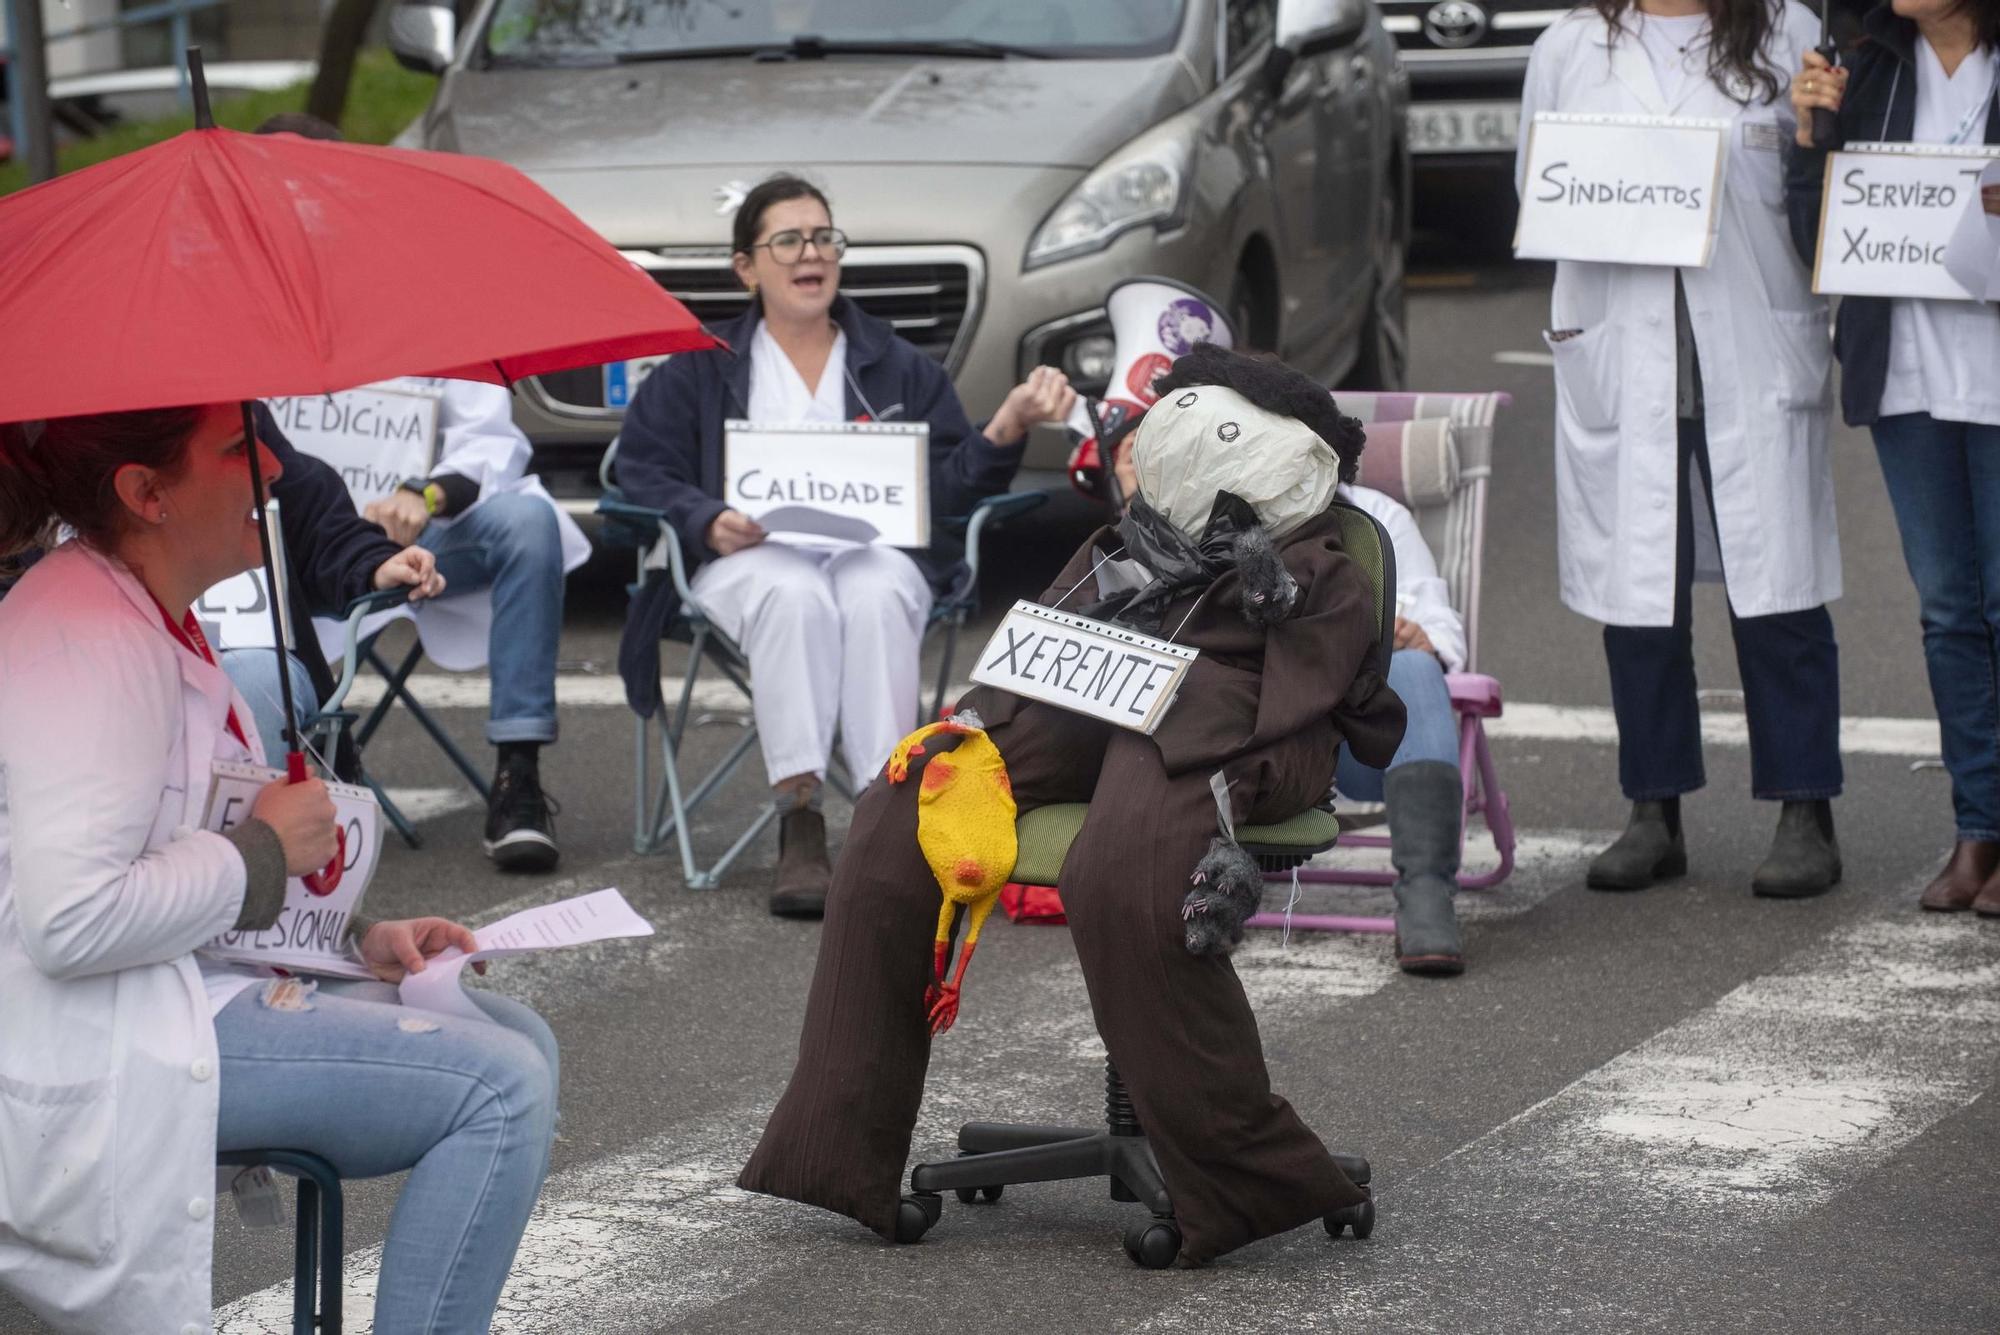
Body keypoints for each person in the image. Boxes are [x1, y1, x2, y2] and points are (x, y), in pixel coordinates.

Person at [738, 347, 1405, 1265]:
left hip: (1241, 724)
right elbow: (1035, 658)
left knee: (1120, 860)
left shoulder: (1316, 564)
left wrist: (1253, 605)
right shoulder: (1127, 541)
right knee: (911, 797)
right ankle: (837, 1157)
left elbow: (1311, 698)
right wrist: (968, 731)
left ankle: (1250, 1175)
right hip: (1110, 706)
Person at [0, 406, 558, 1332]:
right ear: (146, 494)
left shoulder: (143, 607)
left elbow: (177, 860)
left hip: (174, 988)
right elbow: (71, 923)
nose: (273, 469)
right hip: (100, 1034)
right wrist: (260, 850)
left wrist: (347, 943)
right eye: (234, 449)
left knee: (521, 1040)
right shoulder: (83, 635)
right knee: (499, 1087)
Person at [617, 173, 1076, 918]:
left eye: (825, 237)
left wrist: (1006, 428)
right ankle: (800, 818)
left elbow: (950, 491)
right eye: (788, 239)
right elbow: (638, 468)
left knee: (878, 585)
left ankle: (884, 815)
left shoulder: (896, 365)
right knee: (792, 590)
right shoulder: (702, 365)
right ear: (746, 267)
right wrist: (703, 516)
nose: (812, 253)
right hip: (746, 561)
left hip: (871, 555)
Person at [1521, 0, 1846, 898]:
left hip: (1747, 345)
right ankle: (1653, 808)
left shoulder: (1786, 33)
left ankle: (1805, 807)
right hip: (1625, 352)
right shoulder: (1569, 48)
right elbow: (1536, 193)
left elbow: (1817, 191)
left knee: (1775, 586)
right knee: (1640, 591)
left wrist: (1819, 133)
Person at [257, 112, 589, 875]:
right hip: (280, 551)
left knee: (528, 521)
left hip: (410, 543)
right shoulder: (227, 309)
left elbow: (494, 439)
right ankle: (304, 768)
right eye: (282, 189)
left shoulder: (417, 292)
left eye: (316, 188)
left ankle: (519, 775)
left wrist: (426, 495)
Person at [1786, 0, 2000, 912]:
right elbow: (1816, 238)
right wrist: (1810, 135)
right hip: (1908, 380)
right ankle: (1979, 827)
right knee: (1950, 612)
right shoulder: (1869, 63)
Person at [218, 406, 446, 770]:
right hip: (117, 646)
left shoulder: (238, 403)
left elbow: (311, 520)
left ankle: (264, 822)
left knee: (259, 675)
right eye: (233, 449)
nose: (268, 465)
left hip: (243, 656)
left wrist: (373, 564)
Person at [1335, 482, 1471, 975]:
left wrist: (1422, 636)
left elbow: (1438, 619)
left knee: (1414, 665)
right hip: (1262, 734)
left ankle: (1427, 889)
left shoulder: (1375, 515)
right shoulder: (1225, 512)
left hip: (1356, 741)